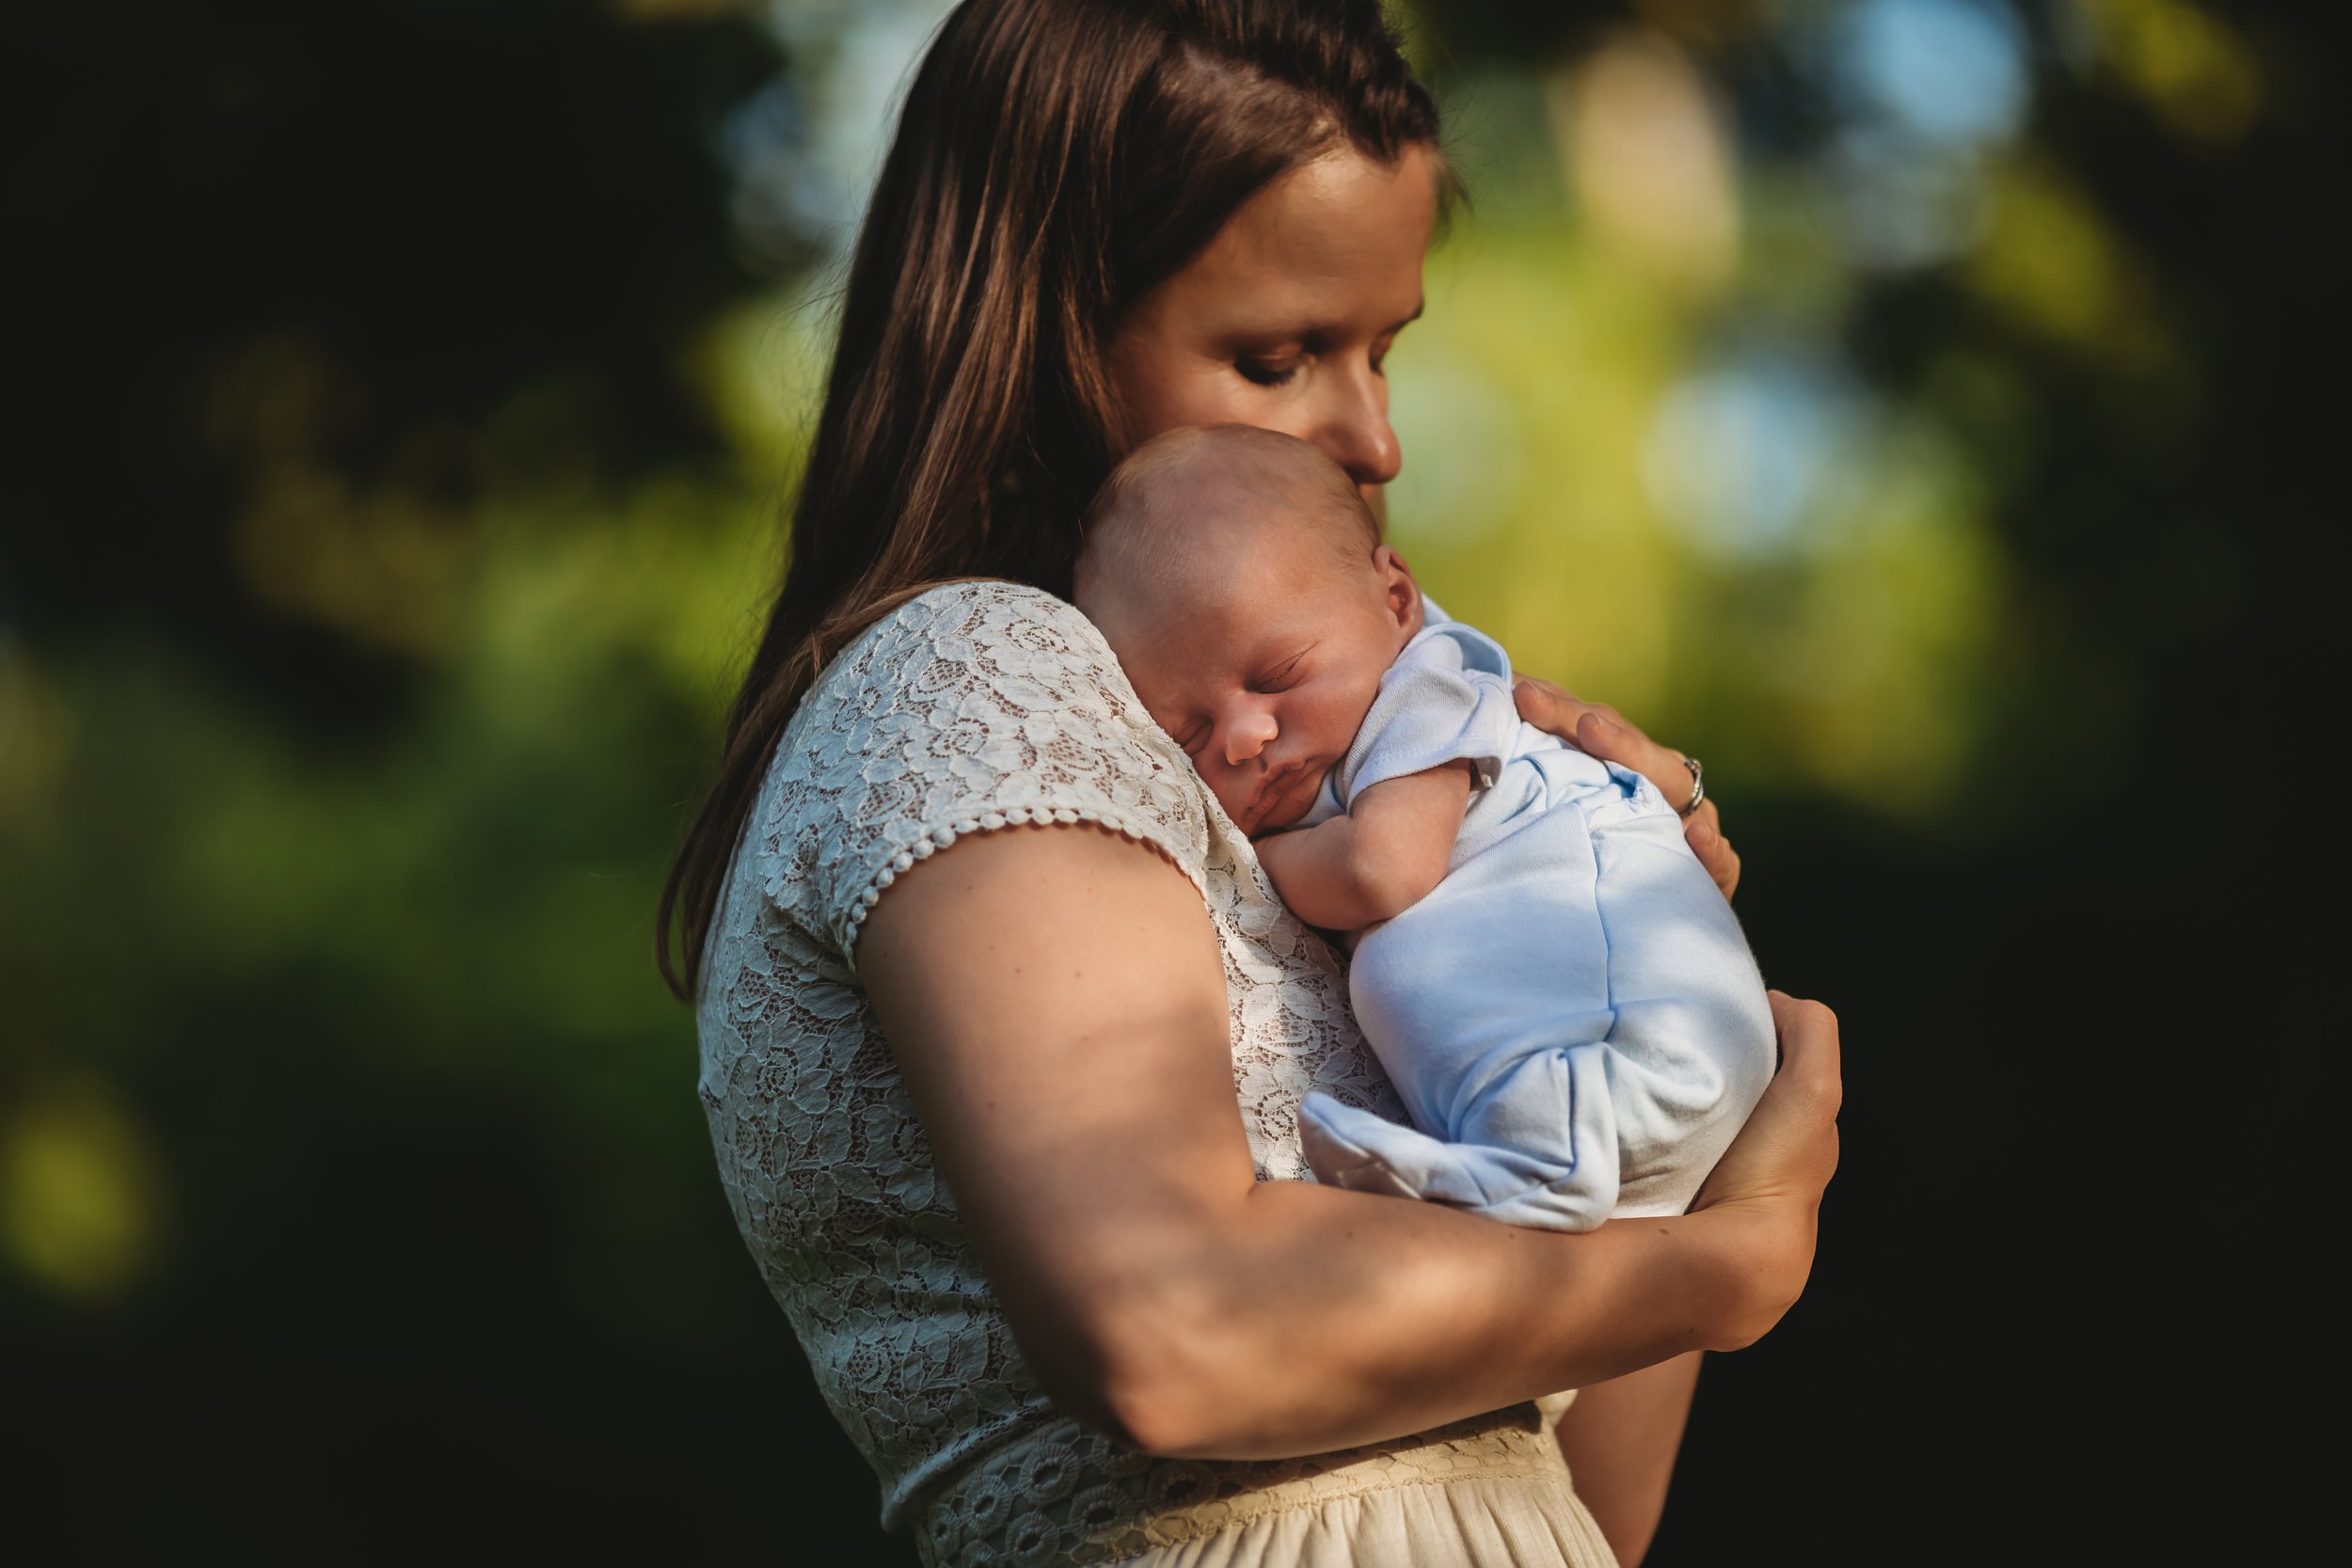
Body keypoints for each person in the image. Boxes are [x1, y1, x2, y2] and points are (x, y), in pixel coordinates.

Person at [657, 4, 1841, 1565]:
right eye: (1279, 357)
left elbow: (1574, 1510)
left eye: (1386, 347)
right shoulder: (971, 677)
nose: (1376, 437)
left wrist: (1629, 967)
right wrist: (1730, 1269)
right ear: (1046, 326)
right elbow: (1175, 1333)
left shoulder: (1305, 793)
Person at [1073, 424, 1777, 1232]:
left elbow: (1383, 867)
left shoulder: (1428, 687)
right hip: (1633, 1113)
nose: (1241, 737)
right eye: (1187, 732)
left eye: (1278, 675)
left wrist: (1256, 858)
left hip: (1643, 1037)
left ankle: (1541, 1161)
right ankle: (1514, 1166)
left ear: (1396, 601)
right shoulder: (1336, 745)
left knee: (1408, 952)